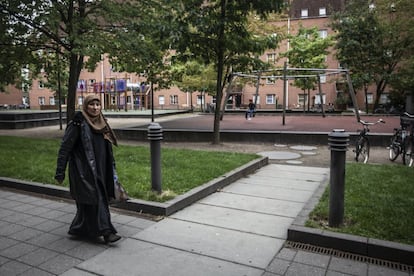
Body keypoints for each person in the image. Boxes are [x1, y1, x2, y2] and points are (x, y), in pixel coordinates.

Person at [55, 94, 121, 244]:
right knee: (98, 197)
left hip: (102, 167)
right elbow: (65, 148)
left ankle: (79, 228)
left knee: (89, 202)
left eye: (98, 104)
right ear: (85, 106)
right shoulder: (78, 123)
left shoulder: (103, 123)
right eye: (92, 104)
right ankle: (107, 231)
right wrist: (60, 171)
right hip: (84, 169)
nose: (95, 107)